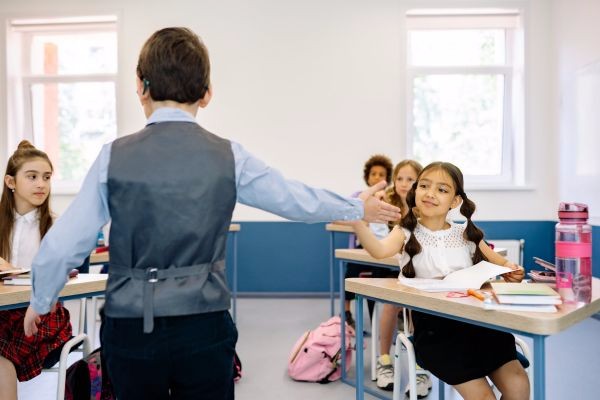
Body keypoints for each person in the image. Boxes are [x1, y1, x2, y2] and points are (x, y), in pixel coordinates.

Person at [23, 27, 400, 400]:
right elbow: (293, 199)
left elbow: (65, 243)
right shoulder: (229, 155)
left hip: (130, 325)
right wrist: (356, 206)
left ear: (140, 86)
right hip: (204, 323)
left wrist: (41, 301)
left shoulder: (112, 156)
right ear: (207, 94)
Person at [346, 162, 529, 400]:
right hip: (437, 333)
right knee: (484, 397)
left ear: (455, 201)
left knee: (519, 387)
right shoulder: (406, 231)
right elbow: (379, 250)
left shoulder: (467, 233)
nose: (430, 193)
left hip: (481, 324)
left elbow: (503, 265)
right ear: (416, 191)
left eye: (442, 190)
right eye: (424, 186)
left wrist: (512, 271)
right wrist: (358, 220)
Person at [0, 141, 72, 400]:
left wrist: (17, 272)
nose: (41, 184)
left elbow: (60, 273)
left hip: (42, 315)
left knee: (1, 354)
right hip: (4, 312)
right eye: (32, 177)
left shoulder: (55, 224)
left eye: (46, 177)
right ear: (11, 182)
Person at [374, 159, 423, 392]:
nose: (404, 184)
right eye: (400, 178)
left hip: (418, 271)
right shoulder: (387, 204)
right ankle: (384, 360)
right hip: (390, 267)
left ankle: (420, 366)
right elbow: (379, 241)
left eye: (410, 179)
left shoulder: (425, 207)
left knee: (418, 304)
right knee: (391, 303)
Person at [344, 154, 393, 329]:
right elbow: (338, 217)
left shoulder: (391, 196)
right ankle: (346, 312)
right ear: (367, 176)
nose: (377, 177)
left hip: (385, 246)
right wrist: (361, 220)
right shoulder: (359, 197)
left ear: (387, 178)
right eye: (374, 173)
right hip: (362, 246)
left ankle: (376, 320)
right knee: (351, 268)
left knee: (378, 272)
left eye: (382, 174)